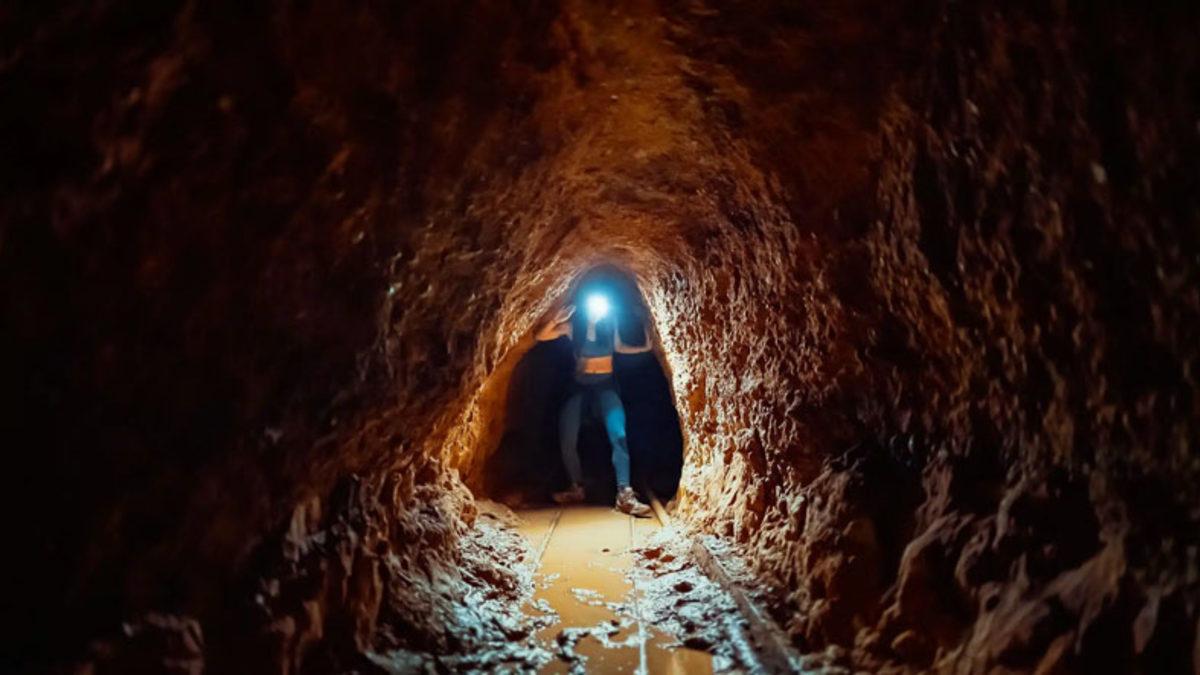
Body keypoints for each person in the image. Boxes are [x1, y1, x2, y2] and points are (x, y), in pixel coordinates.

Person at [536, 300, 653, 517]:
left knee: (618, 434)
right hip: (579, 386)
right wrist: (555, 319)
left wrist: (644, 348)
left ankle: (624, 493)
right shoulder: (573, 327)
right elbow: (540, 336)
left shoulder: (609, 325)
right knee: (567, 437)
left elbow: (619, 348)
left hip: (605, 385)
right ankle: (576, 487)